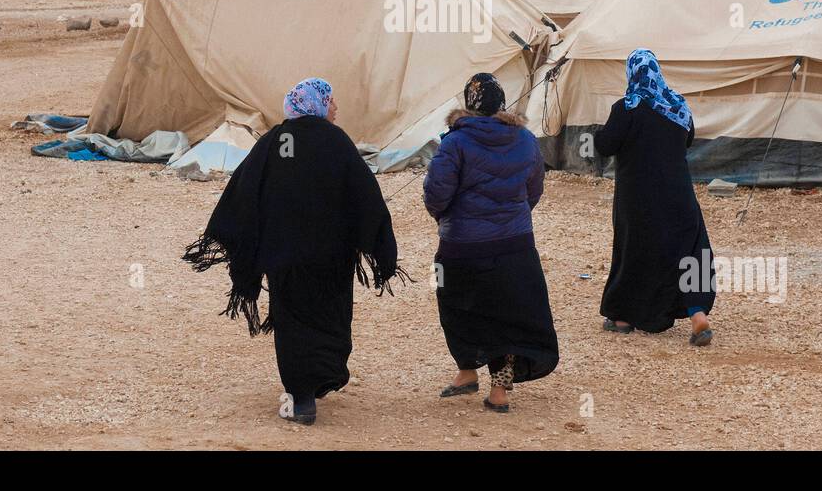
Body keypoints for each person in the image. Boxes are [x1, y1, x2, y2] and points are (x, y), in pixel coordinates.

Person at [183, 78, 406, 425]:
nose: (336, 108)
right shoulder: (336, 142)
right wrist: (378, 244)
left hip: (285, 257)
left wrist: (243, 243)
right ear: (318, 104)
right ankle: (314, 387)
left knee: (293, 320)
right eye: (331, 102)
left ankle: (303, 394)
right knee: (330, 314)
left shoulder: (275, 141)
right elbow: (365, 194)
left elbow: (243, 192)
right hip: (331, 257)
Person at [423, 73, 559, 413]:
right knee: (507, 312)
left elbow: (436, 192)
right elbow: (534, 189)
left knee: (456, 305)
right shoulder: (525, 140)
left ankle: (467, 370)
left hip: (461, 246)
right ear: (501, 103)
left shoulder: (454, 143)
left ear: (469, 104)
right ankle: (499, 391)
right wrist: (513, 215)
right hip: (515, 245)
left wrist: (445, 218)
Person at [593, 49, 716, 345]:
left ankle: (623, 317)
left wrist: (599, 130)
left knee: (635, 252)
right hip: (679, 196)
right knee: (692, 250)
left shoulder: (626, 108)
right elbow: (687, 141)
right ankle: (698, 312)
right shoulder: (678, 107)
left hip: (638, 200)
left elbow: (606, 145)